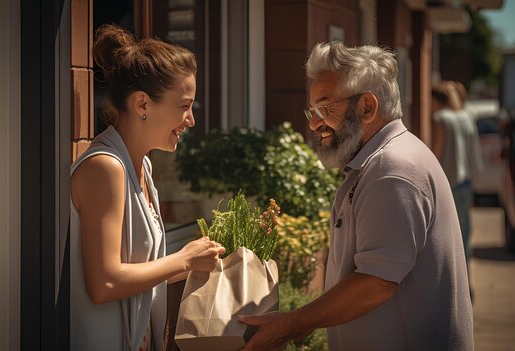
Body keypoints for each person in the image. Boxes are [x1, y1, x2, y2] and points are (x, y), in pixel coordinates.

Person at [239, 42, 474, 350]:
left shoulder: (393, 168)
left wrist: (291, 324)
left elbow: (375, 282)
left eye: (325, 107)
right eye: (312, 110)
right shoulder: (379, 161)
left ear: (367, 107)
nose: (313, 123)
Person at [69, 24, 225, 351]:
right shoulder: (105, 167)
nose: (190, 120)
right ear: (143, 104)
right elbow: (105, 282)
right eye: (184, 106)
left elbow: (139, 275)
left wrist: (202, 261)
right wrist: (183, 259)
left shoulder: (143, 167)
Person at [431, 81, 483, 300]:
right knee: (465, 236)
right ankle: (466, 284)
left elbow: (438, 150)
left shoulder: (441, 118)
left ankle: (453, 289)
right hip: (466, 182)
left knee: (446, 239)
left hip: (448, 183)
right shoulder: (467, 117)